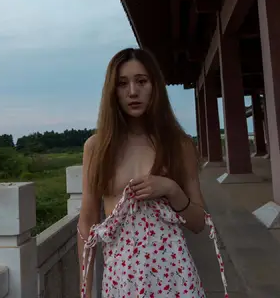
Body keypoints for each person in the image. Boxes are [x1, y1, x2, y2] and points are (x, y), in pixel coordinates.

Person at [76, 47, 228, 298]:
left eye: (142, 81)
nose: (133, 92)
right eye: (122, 84)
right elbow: (87, 221)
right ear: (112, 91)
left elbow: (199, 223)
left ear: (155, 86)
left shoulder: (179, 145)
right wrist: (85, 290)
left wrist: (171, 189)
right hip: (121, 280)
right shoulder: (97, 148)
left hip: (175, 279)